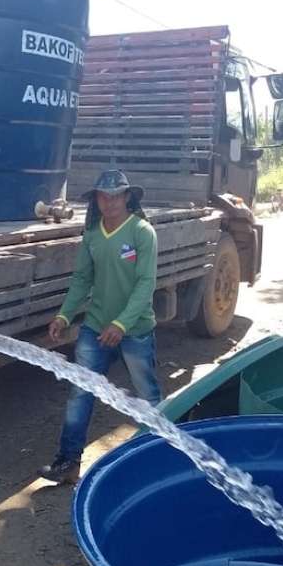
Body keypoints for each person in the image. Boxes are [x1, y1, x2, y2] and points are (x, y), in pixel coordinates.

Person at [39, 170, 162, 485]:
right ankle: (68, 463)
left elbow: (145, 284)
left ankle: (163, 453)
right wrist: (65, 316)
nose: (109, 202)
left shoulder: (142, 232)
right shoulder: (92, 235)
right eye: (103, 196)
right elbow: (82, 280)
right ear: (96, 200)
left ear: (127, 197)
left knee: (147, 397)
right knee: (81, 393)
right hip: (95, 327)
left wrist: (122, 323)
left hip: (135, 330)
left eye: (116, 195)